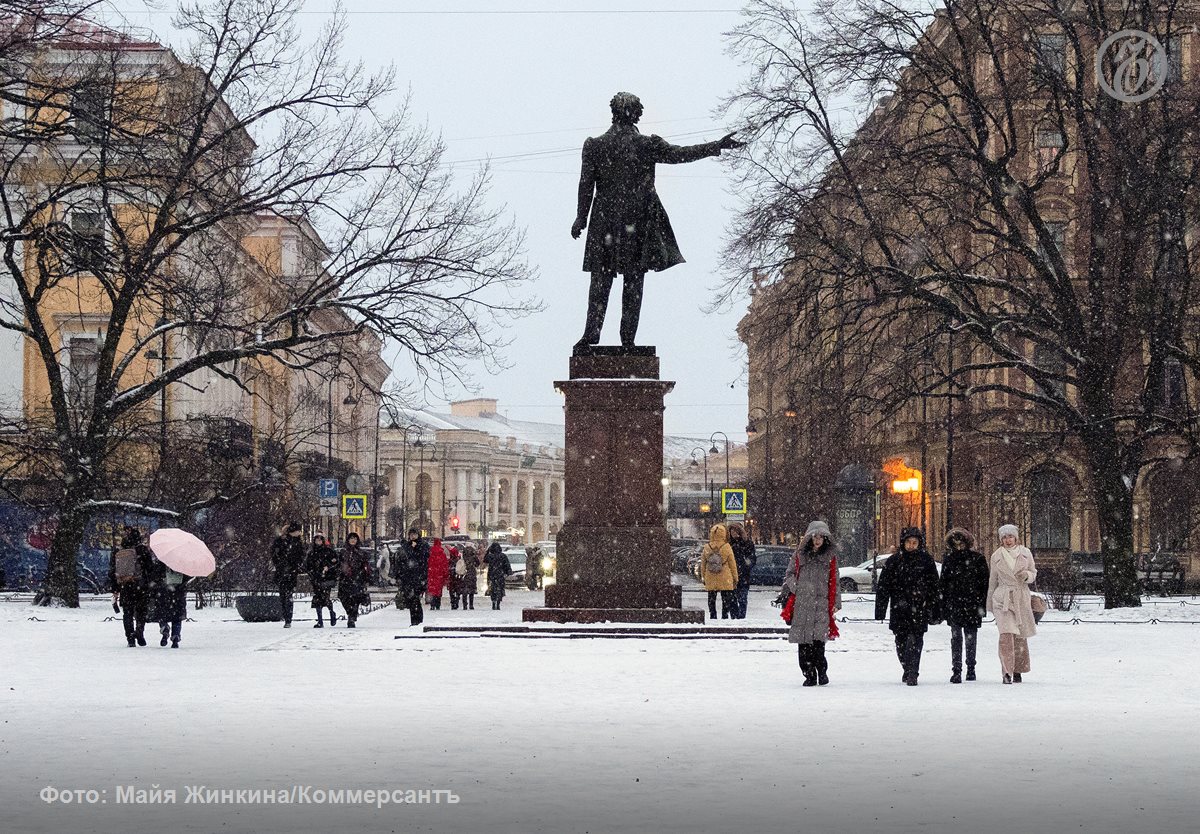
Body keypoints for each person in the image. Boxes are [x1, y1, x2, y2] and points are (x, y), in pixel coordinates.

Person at [570, 92, 743, 350]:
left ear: (613, 113)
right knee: (633, 281)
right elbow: (680, 154)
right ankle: (627, 340)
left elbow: (586, 185)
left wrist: (580, 218)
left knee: (600, 281)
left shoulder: (595, 145)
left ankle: (591, 336)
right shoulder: (645, 145)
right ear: (636, 114)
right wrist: (715, 146)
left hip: (605, 222)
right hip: (635, 222)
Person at [875, 527, 941, 686]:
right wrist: (880, 610)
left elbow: (934, 586)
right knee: (901, 641)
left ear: (919, 543)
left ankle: (913, 672)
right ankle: (906, 666)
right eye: (909, 542)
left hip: (919, 607)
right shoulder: (894, 561)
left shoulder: (926, 560)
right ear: (903, 543)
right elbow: (883, 586)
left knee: (916, 640)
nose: (911, 545)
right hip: (899, 608)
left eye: (914, 542)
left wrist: (935, 608)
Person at [780, 520, 841, 685]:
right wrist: (797, 588)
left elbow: (835, 580)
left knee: (818, 643)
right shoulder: (799, 555)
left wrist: (836, 602)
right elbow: (789, 574)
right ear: (809, 537)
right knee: (803, 644)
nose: (818, 540)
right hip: (802, 604)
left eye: (821, 537)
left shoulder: (830, 558)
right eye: (815, 536)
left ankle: (822, 671)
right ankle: (809, 675)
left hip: (821, 604)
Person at [987, 524, 1038, 684]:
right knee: (1006, 634)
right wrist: (989, 603)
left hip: (1020, 596)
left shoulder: (1025, 553)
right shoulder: (996, 556)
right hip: (1002, 598)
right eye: (1004, 537)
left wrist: (1027, 576)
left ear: (1016, 538)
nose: (1007, 540)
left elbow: (1034, 573)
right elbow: (992, 580)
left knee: (1020, 636)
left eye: (1010, 537)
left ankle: (1018, 670)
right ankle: (1007, 671)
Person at [940, 528, 989, 683]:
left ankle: (970, 668)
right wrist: (944, 604)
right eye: (955, 543)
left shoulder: (978, 559)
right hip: (955, 604)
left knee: (970, 637)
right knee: (956, 637)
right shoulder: (949, 559)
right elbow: (943, 584)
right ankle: (957, 669)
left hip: (971, 604)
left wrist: (981, 604)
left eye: (961, 542)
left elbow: (984, 585)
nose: (959, 546)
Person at [108, 527, 154, 647]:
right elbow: (150, 569)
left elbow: (112, 571)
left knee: (127, 613)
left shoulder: (118, 551)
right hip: (140, 586)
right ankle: (139, 633)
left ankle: (130, 638)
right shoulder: (142, 550)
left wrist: (115, 588)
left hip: (125, 586)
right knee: (141, 611)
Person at [391, 528, 429, 626]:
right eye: (411, 534)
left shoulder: (423, 546)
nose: (413, 536)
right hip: (407, 578)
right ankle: (414, 621)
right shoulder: (406, 546)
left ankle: (417, 620)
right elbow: (400, 561)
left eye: (414, 534)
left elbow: (423, 560)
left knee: (415, 599)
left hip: (418, 577)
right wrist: (398, 576)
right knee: (411, 600)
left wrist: (415, 549)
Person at [269, 523, 305, 628]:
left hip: (290, 572)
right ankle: (287, 617)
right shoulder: (283, 541)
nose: (299, 533)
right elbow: (275, 553)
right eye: (298, 531)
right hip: (284, 571)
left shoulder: (296, 542)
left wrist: (296, 566)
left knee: (287, 595)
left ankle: (288, 618)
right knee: (284, 596)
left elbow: (301, 556)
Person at [699, 523, 738, 619]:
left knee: (711, 597)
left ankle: (713, 615)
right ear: (724, 534)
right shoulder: (727, 547)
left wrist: (703, 576)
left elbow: (703, 564)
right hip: (725, 576)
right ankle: (724, 615)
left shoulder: (707, 547)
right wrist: (735, 578)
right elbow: (732, 564)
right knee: (725, 598)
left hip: (710, 575)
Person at [152, 560, 189, 649]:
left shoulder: (162, 561)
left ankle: (164, 627)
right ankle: (176, 636)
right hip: (178, 592)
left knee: (161, 612)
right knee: (177, 616)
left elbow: (155, 576)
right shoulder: (183, 563)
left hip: (164, 592)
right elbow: (187, 578)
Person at [338, 532, 372, 628]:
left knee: (355, 598)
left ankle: (351, 618)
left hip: (357, 578)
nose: (353, 540)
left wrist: (364, 575)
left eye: (355, 539)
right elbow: (339, 563)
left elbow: (365, 565)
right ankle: (350, 613)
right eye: (351, 538)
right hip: (345, 578)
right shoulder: (343, 551)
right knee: (344, 597)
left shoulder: (361, 552)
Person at [306, 533, 340, 628]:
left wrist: (328, 567)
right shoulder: (312, 552)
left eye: (320, 540)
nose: (318, 542)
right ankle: (320, 620)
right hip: (316, 578)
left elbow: (335, 562)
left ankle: (331, 614)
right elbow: (308, 565)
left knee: (325, 598)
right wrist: (312, 573)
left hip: (326, 578)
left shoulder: (328, 551)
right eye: (317, 540)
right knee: (317, 599)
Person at [728, 522, 757, 619]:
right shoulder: (729, 544)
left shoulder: (747, 543)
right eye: (731, 531)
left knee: (742, 599)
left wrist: (745, 566)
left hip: (744, 576)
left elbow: (752, 559)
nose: (733, 533)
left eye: (735, 531)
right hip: (731, 576)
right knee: (732, 599)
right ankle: (734, 617)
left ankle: (741, 617)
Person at [483, 542, 512, 610]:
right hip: (500, 575)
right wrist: (508, 572)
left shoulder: (490, 556)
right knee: (500, 589)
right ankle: (498, 603)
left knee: (492, 589)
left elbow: (485, 560)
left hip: (492, 575)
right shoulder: (503, 556)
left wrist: (488, 551)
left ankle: (493, 602)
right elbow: (507, 565)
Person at [426, 538, 450, 610]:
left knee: (432, 590)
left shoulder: (430, 553)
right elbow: (445, 565)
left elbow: (428, 564)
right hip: (439, 575)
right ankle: (437, 604)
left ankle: (432, 604)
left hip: (432, 574)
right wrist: (446, 575)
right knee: (438, 590)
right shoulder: (442, 554)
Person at [458, 545, 480, 611]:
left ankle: (465, 605)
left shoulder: (463, 557)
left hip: (464, 574)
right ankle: (471, 605)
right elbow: (477, 564)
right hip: (472, 574)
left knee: (464, 590)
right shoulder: (474, 557)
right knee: (471, 591)